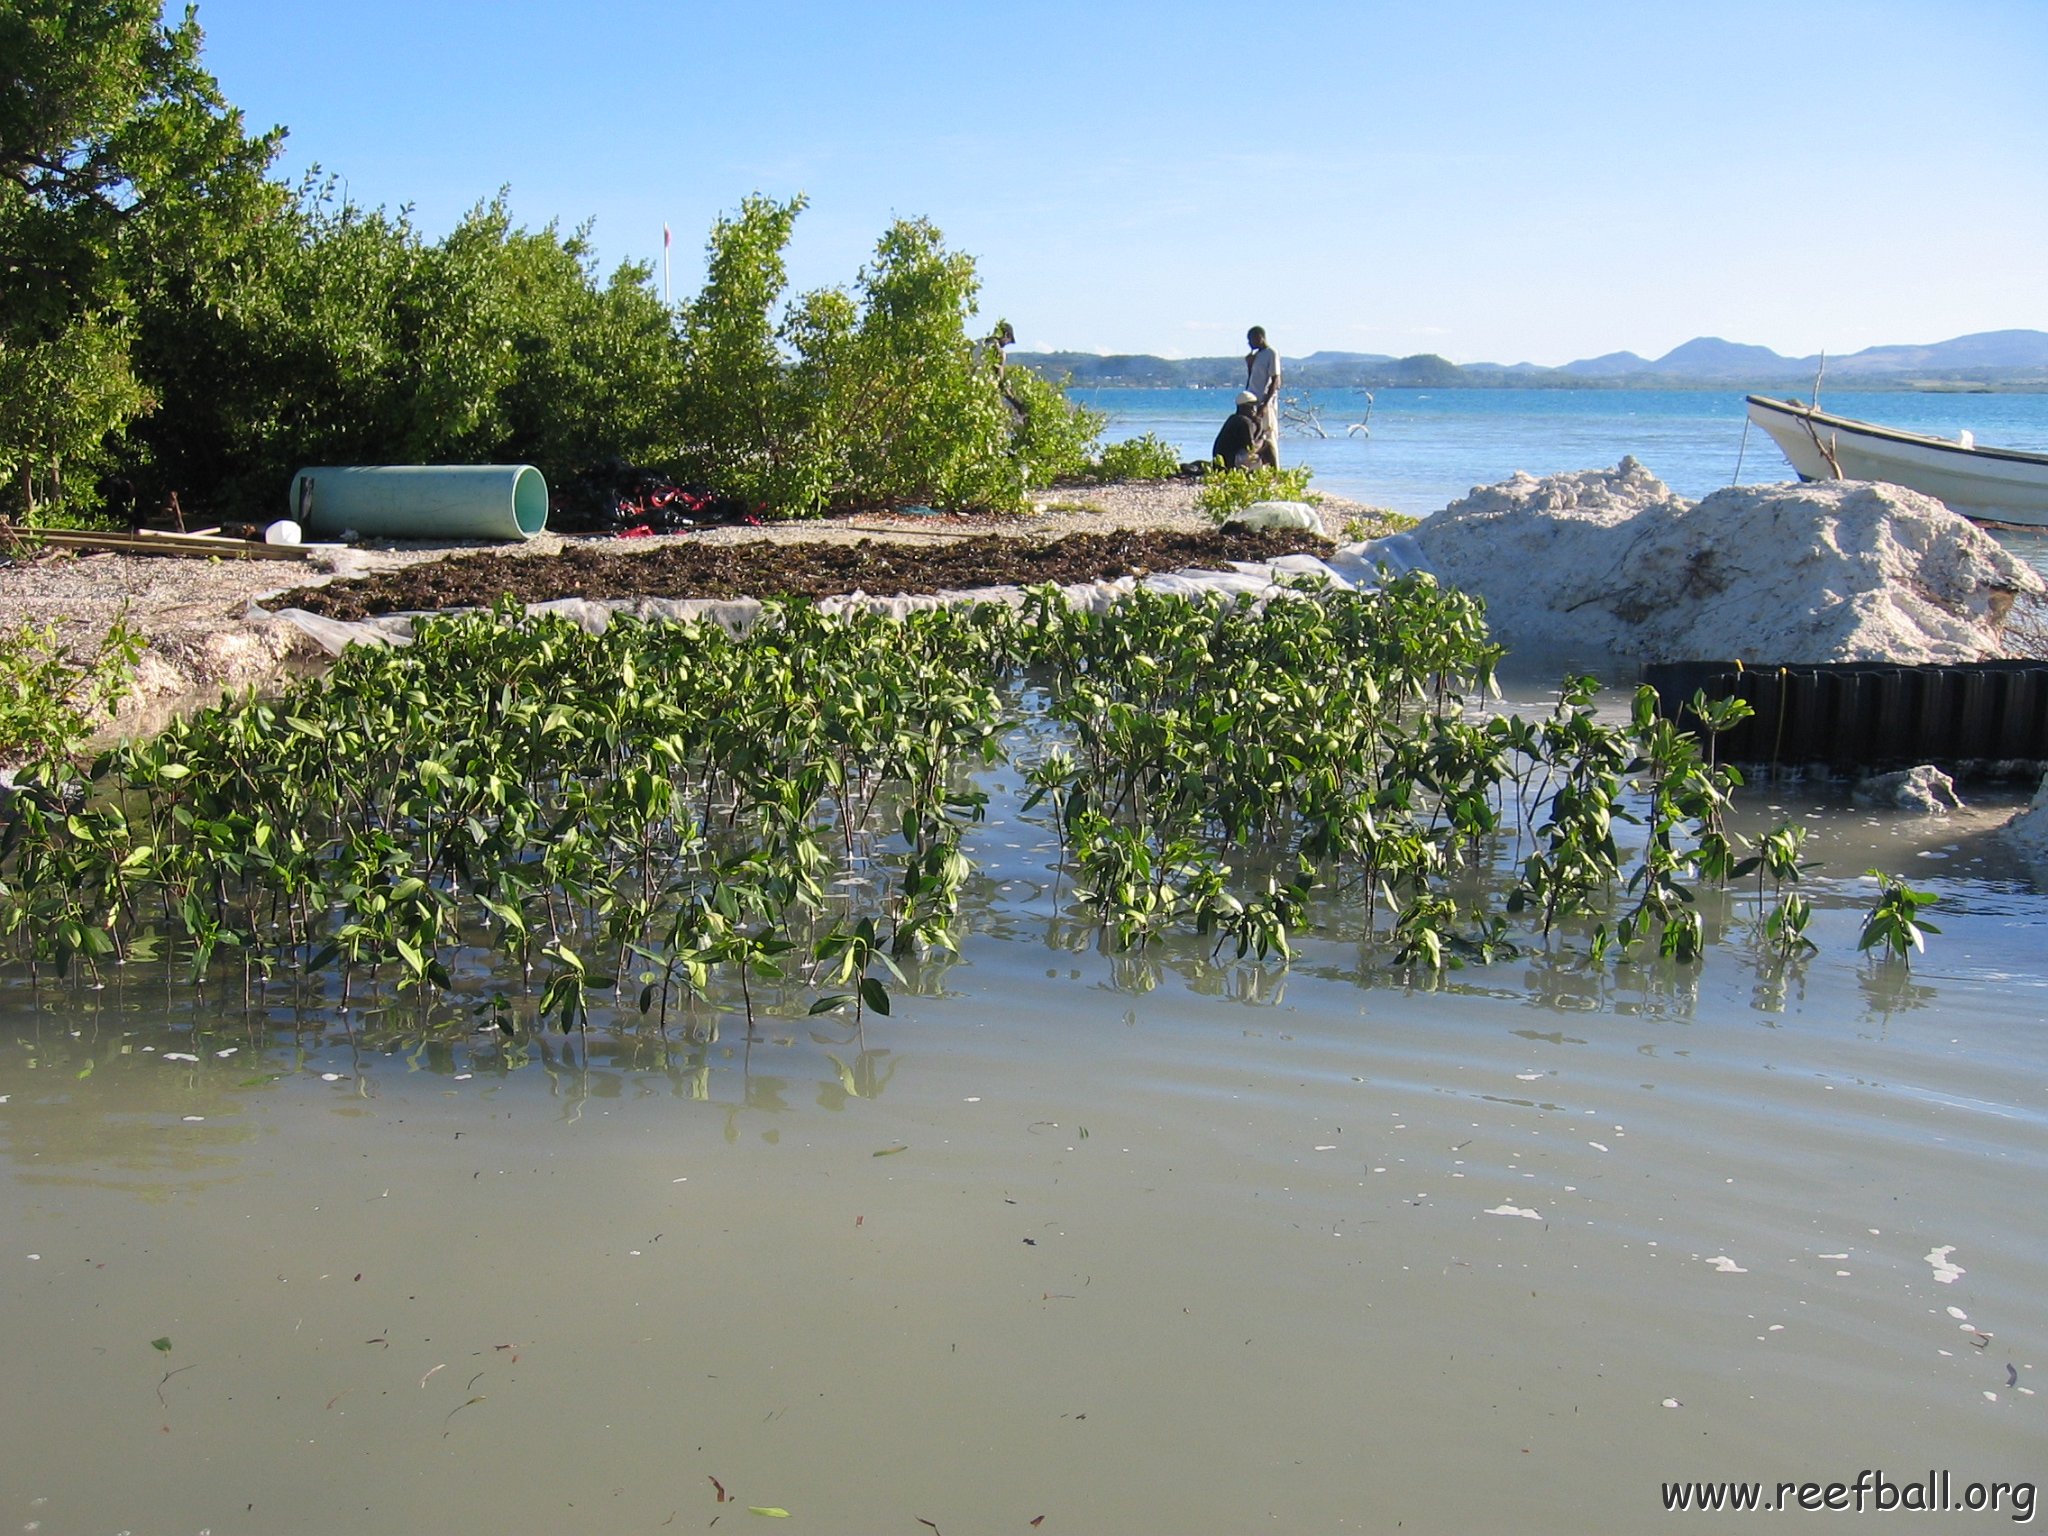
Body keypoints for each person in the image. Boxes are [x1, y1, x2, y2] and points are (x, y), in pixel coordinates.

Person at [1245, 326, 1281, 467]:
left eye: (1251, 340)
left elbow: (1275, 380)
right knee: (1255, 434)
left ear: (1259, 337)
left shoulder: (1271, 353)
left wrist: (1265, 404)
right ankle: (1258, 467)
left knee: (1268, 434)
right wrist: (1249, 365)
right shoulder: (1257, 356)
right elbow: (1252, 380)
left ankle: (1275, 467)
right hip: (1252, 400)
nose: (1249, 344)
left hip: (1264, 401)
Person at [1212, 391, 1264, 470]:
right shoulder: (1245, 421)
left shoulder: (1233, 418)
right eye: (1251, 406)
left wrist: (1258, 427)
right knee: (1268, 445)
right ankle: (1274, 472)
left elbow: (1249, 443)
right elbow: (1251, 448)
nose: (1254, 410)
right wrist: (1262, 437)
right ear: (1243, 407)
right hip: (1231, 462)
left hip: (1223, 461)